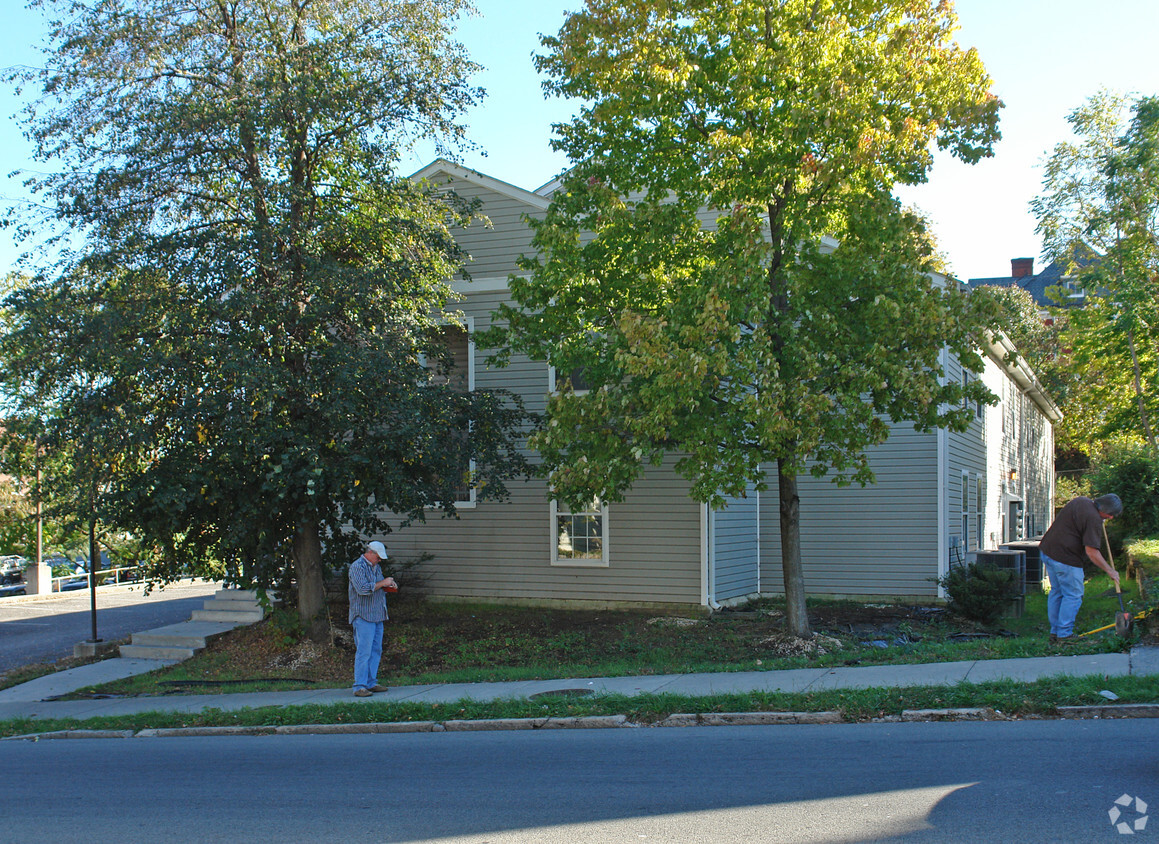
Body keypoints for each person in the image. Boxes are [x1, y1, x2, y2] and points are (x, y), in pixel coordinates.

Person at [1038, 493, 1123, 644]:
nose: (1111, 518)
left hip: (1048, 551)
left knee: (1057, 592)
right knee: (1073, 594)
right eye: (1110, 515)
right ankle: (1064, 635)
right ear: (1103, 509)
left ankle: (1055, 633)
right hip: (1065, 559)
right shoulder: (1094, 519)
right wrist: (1110, 570)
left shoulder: (1081, 501)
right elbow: (1092, 552)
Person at [348, 540, 397, 697]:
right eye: (378, 557)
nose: (380, 560)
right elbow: (363, 589)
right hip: (363, 615)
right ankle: (359, 686)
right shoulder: (357, 567)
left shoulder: (376, 567)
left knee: (376, 650)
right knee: (364, 651)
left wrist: (389, 586)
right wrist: (383, 582)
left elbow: (378, 587)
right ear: (370, 553)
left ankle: (371, 682)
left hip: (377, 614)